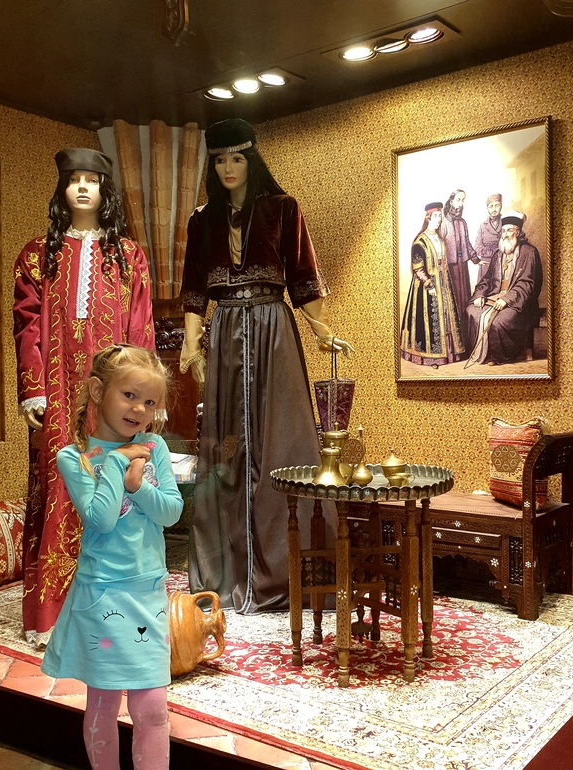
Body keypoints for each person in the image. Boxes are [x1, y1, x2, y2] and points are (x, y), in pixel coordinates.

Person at [179, 118, 353, 614]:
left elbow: (302, 276)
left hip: (274, 329)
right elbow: (194, 287)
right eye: (219, 160)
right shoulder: (202, 221)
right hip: (226, 334)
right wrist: (192, 345)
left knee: (283, 441)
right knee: (228, 448)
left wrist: (322, 331)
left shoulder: (283, 209)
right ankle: (229, 570)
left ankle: (286, 568)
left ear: (252, 159)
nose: (228, 168)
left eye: (237, 157)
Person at [13, 148, 155, 647]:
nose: (81, 188)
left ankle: (112, 611)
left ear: (104, 190)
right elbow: (28, 325)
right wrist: (33, 388)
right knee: (63, 483)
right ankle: (52, 615)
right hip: (57, 391)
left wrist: (144, 399)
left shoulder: (128, 255)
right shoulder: (38, 254)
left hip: (112, 396)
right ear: (62, 189)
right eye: (73, 179)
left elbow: (140, 326)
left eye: (91, 180)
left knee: (111, 484)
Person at [42, 343, 182, 770]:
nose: (139, 409)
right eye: (130, 395)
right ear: (98, 391)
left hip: (147, 593)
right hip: (101, 596)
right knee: (102, 702)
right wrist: (119, 466)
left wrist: (139, 487)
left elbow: (171, 512)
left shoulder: (154, 446)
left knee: (152, 707)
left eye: (150, 402)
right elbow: (100, 520)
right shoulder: (76, 457)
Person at [465, 211, 544, 367]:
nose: (506, 234)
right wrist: (480, 295)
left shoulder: (529, 252)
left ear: (518, 232)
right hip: (495, 296)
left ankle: (497, 356)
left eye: (510, 230)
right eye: (504, 231)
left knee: (499, 320)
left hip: (520, 302)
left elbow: (527, 284)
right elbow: (486, 279)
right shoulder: (498, 253)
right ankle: (479, 353)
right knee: (472, 311)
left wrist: (507, 299)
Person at [399, 202, 465, 368]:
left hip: (444, 284)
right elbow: (418, 268)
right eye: (435, 216)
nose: (438, 220)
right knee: (428, 319)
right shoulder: (420, 242)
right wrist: (429, 286)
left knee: (447, 318)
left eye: (440, 216)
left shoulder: (440, 239)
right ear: (428, 218)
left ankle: (449, 355)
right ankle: (431, 358)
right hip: (425, 288)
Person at [440, 189, 478, 347]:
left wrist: (476, 259)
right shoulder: (443, 222)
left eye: (463, 200)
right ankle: (453, 344)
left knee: (464, 301)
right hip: (450, 268)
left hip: (463, 267)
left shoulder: (463, 222)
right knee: (452, 302)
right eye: (458, 199)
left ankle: (465, 342)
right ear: (451, 201)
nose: (461, 203)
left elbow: (467, 243)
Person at [473, 193, 503, 283]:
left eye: (497, 205)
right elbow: (477, 248)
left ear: (501, 206)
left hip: (502, 264)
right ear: (487, 208)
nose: (494, 209)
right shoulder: (482, 226)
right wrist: (496, 251)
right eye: (491, 206)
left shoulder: (506, 223)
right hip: (486, 266)